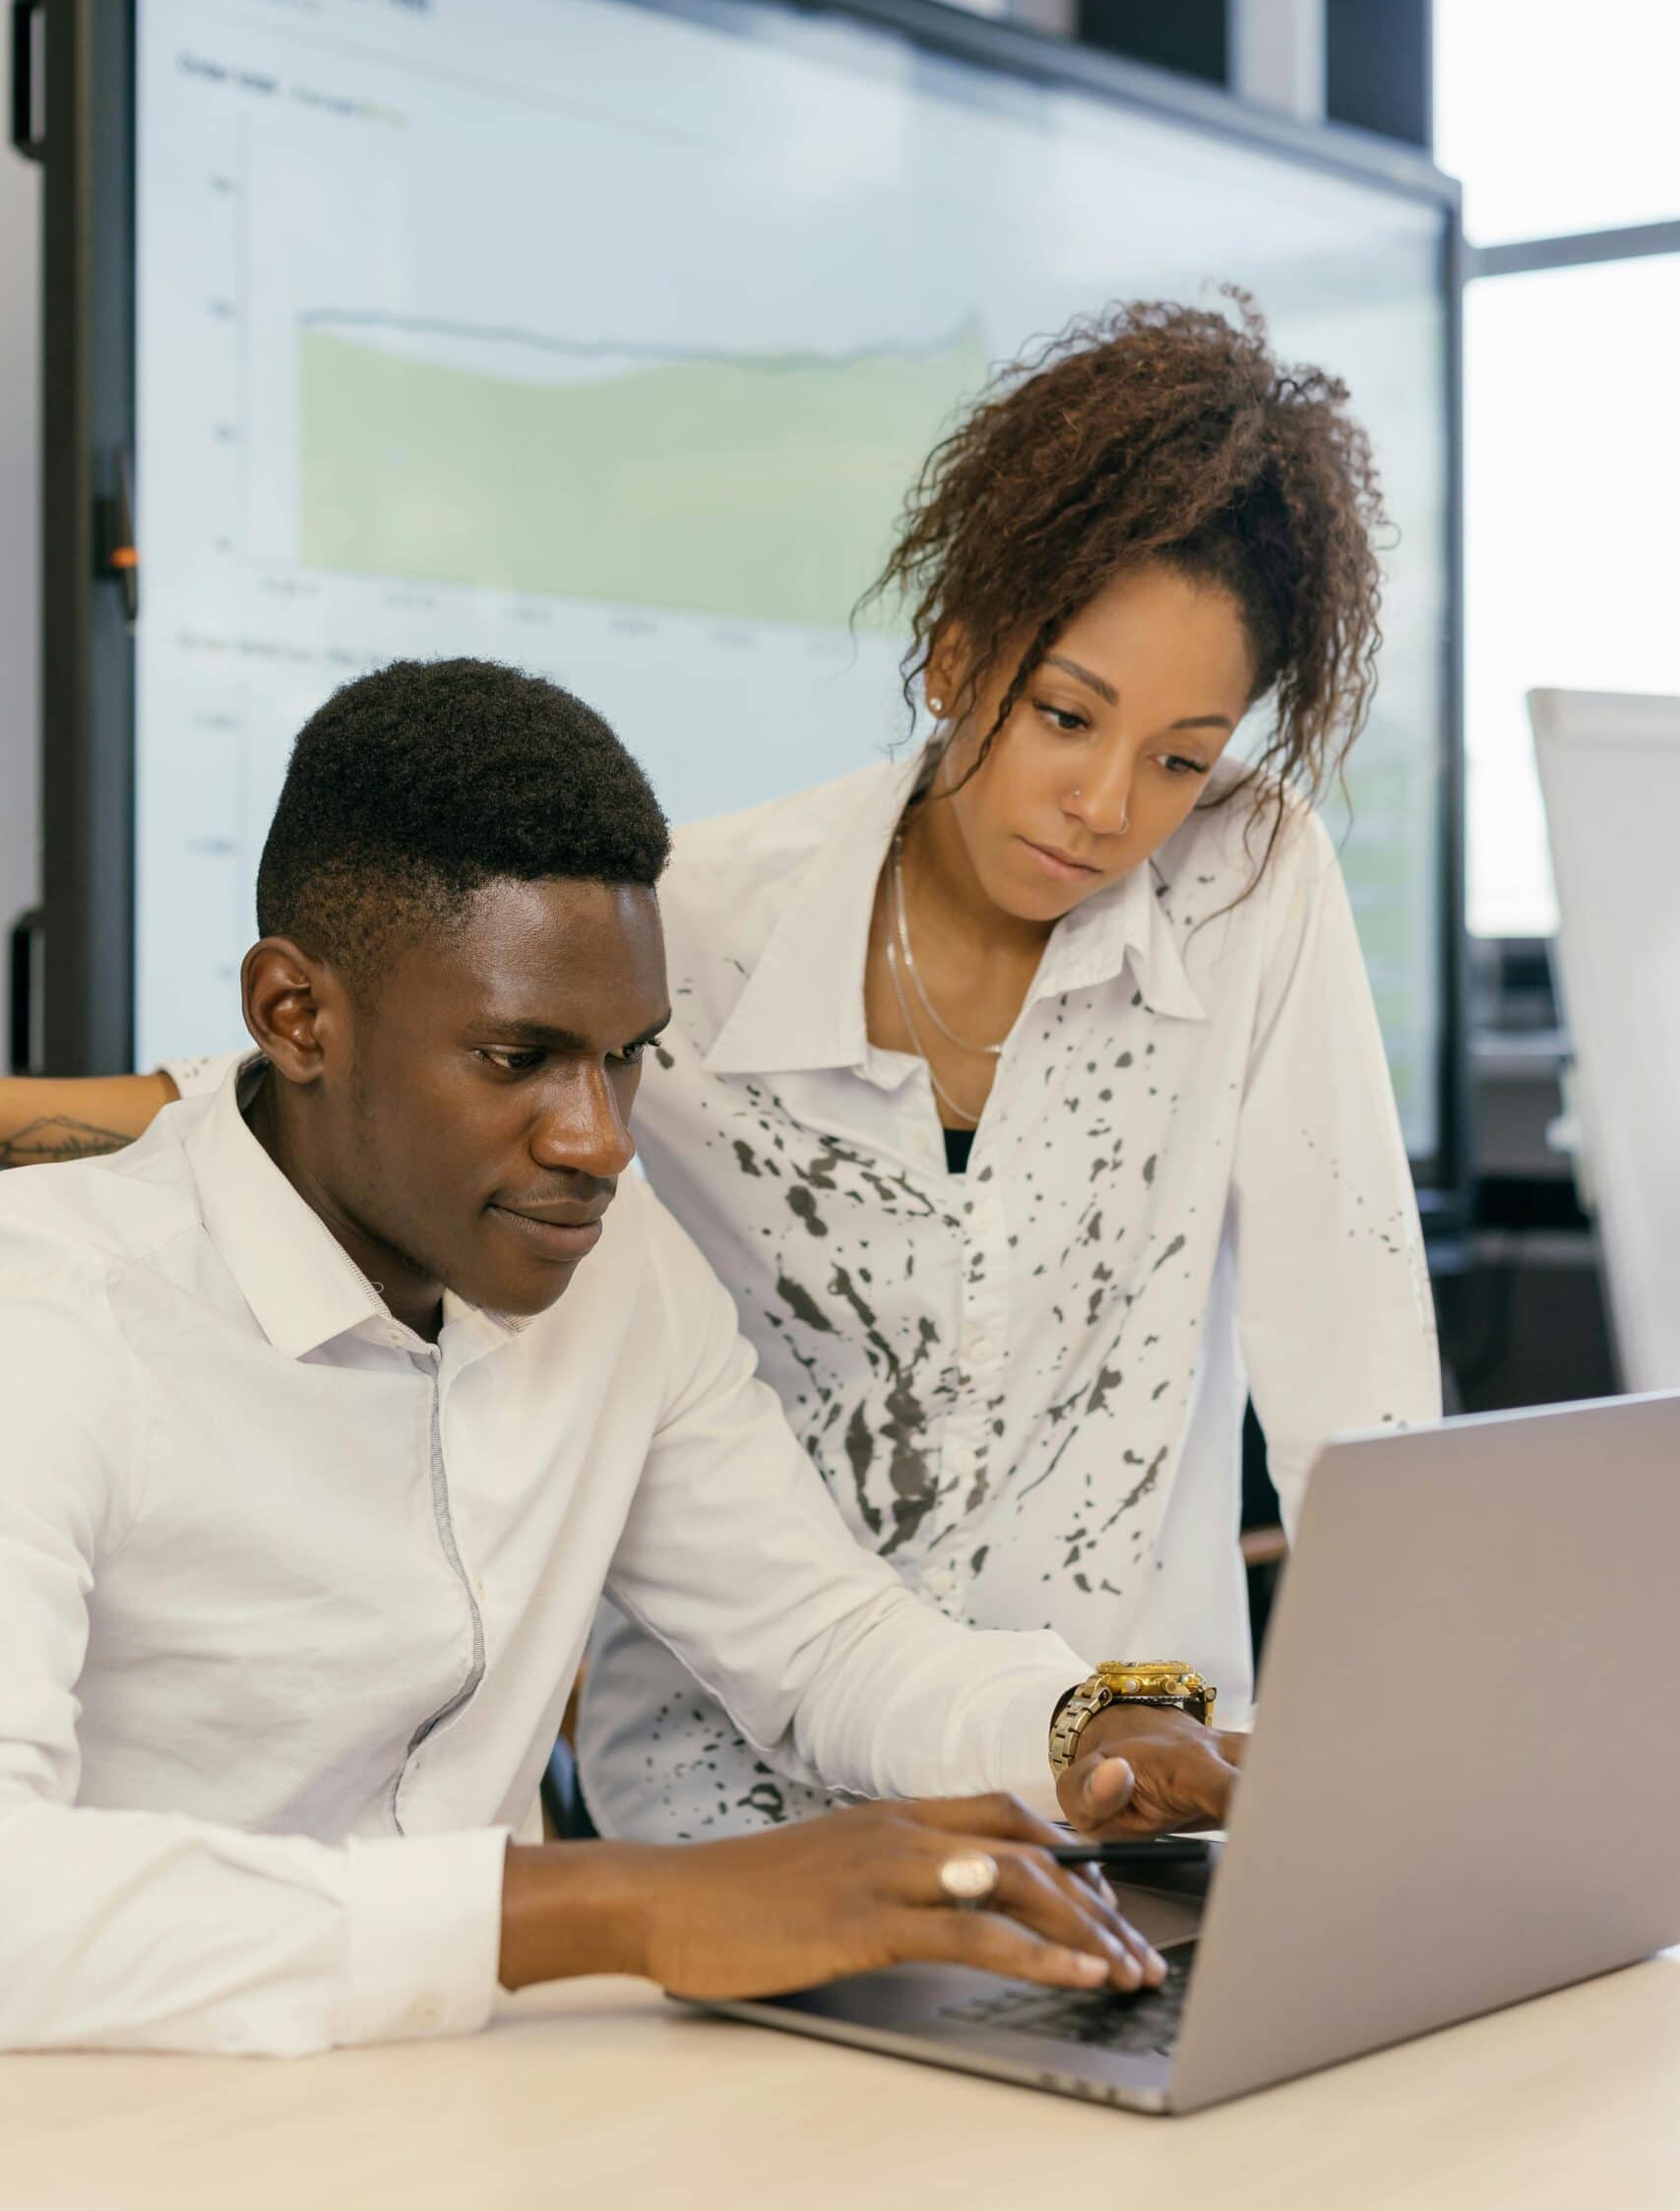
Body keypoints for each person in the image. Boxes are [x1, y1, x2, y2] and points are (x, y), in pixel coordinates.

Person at [0, 295, 1438, 1851]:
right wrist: (624, 1911)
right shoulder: (669, 930)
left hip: (1035, 1811)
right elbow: (317, 1084)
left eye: (1178, 756)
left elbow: (840, 1638)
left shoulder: (626, 1291)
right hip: (685, 1843)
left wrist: (1201, 1736)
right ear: (957, 656)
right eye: (1064, 717)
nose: (1106, 804)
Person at [0, 659, 1240, 2059]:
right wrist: (619, 1908)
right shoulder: (47, 1315)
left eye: (626, 1057)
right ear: (298, 1017)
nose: (597, 1138)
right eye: (518, 1057)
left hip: (474, 2102)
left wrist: (1082, 1735)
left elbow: (819, 1639)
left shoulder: (605, 1256)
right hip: (118, 2119)